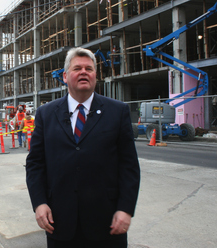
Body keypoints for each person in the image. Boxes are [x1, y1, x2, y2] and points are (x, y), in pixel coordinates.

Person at [26, 47, 140, 248]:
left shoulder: (117, 111)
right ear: (65, 76)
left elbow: (128, 166)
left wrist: (126, 208)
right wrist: (39, 203)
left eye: (89, 68)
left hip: (107, 222)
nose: (84, 72)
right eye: (77, 68)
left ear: (96, 75)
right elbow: (35, 163)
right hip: (59, 222)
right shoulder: (46, 113)